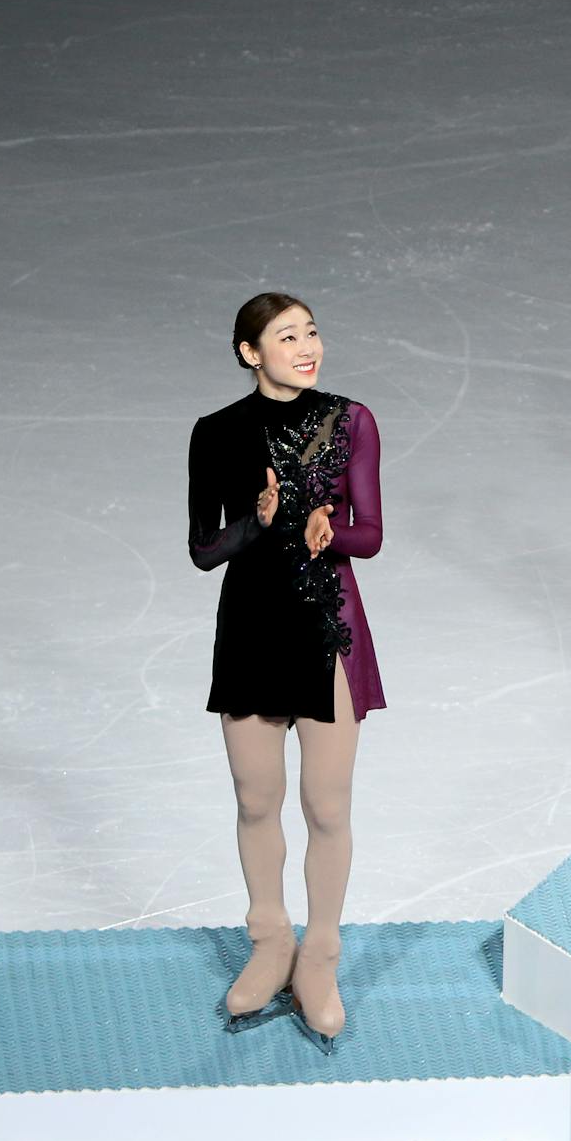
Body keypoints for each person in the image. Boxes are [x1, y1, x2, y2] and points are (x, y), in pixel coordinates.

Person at [188, 293, 384, 1049]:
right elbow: (205, 549)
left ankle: (320, 957)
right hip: (251, 630)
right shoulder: (218, 433)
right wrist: (259, 523)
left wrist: (332, 531)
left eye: (312, 332)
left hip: (326, 625)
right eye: (287, 336)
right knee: (255, 797)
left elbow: (371, 535)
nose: (308, 346)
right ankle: (270, 941)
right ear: (249, 352)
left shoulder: (351, 421)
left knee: (327, 805)